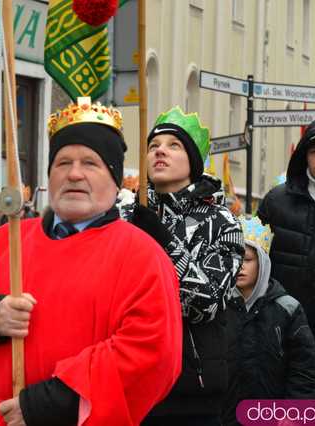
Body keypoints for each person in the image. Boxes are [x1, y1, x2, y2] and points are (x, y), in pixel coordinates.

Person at [0, 97, 183, 425]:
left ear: (114, 178)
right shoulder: (6, 242)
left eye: (90, 163)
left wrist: (48, 404)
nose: (74, 174)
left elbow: (153, 353)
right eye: (63, 163)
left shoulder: (142, 254)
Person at [122, 106, 245, 426]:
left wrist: (161, 240)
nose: (160, 150)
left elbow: (207, 302)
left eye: (173, 145)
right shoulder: (124, 215)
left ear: (193, 160)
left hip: (190, 390)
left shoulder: (222, 222)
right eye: (153, 145)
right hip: (128, 380)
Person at [258, 117, 315, 398]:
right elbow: (254, 258)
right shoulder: (277, 201)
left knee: (310, 402)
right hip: (278, 324)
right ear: (304, 155)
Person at [221, 216, 315, 426]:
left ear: (263, 261)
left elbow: (303, 368)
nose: (239, 266)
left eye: (247, 259)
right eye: (234, 258)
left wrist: (294, 410)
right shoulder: (216, 307)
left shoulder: (287, 308)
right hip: (224, 415)